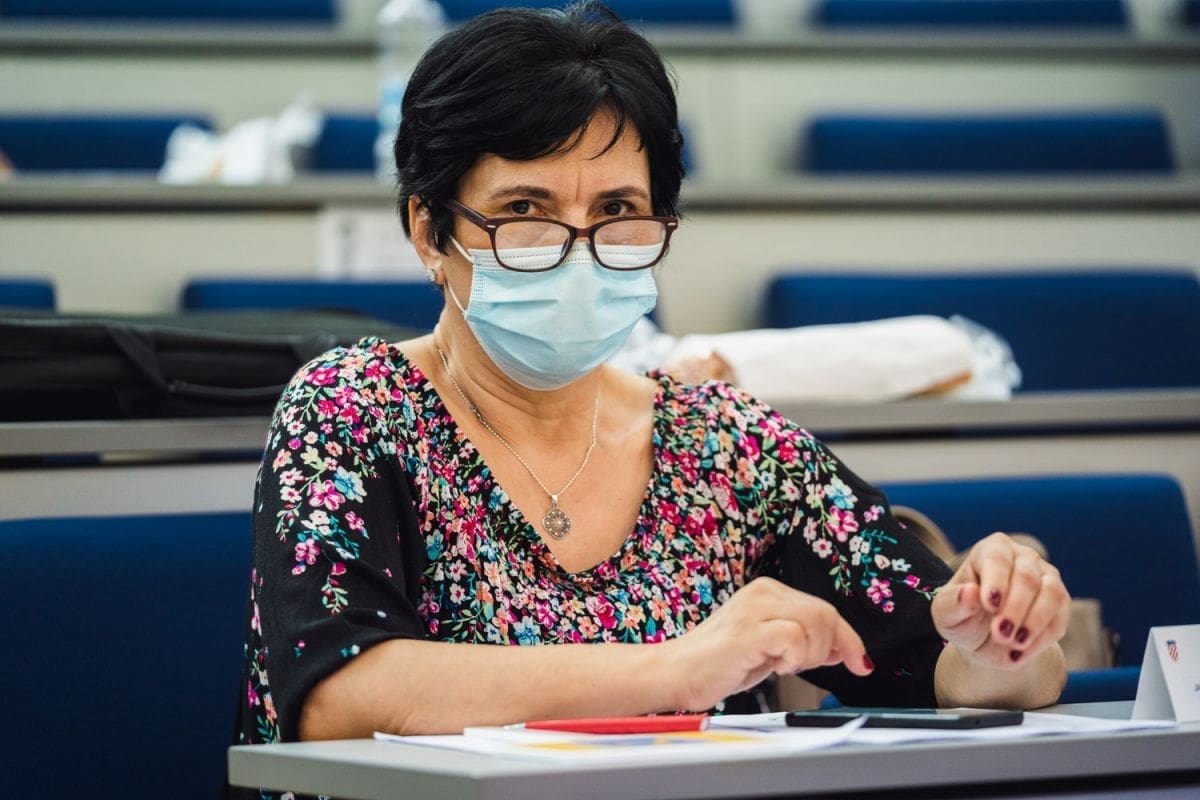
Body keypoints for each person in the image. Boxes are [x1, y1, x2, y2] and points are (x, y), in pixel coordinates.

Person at [230, 1, 1069, 787]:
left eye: (619, 211)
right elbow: (339, 697)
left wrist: (1003, 640)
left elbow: (942, 666)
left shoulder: (729, 444)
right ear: (429, 231)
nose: (578, 250)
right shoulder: (353, 408)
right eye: (525, 209)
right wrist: (673, 669)